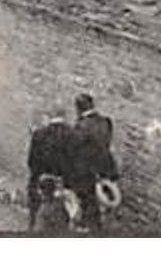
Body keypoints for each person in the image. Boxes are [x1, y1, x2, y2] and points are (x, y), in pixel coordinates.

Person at [71, 93, 119, 233]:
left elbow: (77, 150)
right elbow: (106, 143)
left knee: (89, 205)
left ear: (78, 108)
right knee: (107, 202)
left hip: (89, 172)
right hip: (108, 168)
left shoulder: (81, 126)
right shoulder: (106, 121)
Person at [27, 106, 77, 230]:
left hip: (43, 184)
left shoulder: (39, 134)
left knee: (37, 219)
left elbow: (31, 162)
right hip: (65, 186)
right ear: (64, 116)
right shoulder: (74, 134)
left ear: (49, 116)